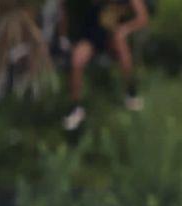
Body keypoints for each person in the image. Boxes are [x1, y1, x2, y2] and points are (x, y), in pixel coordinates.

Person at [63, 0, 150, 131]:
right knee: (77, 60)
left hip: (113, 36)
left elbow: (143, 18)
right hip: (92, 34)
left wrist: (126, 28)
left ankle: (131, 92)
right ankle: (76, 108)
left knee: (121, 43)